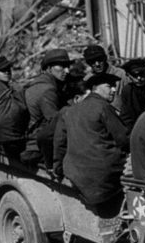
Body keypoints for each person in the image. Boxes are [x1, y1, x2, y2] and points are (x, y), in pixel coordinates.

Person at [54, 72, 129, 216]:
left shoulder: (70, 111)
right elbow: (123, 139)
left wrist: (57, 168)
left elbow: (59, 144)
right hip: (105, 176)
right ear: (95, 88)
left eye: (114, 86)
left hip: (76, 175)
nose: (114, 90)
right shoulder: (103, 107)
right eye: (109, 86)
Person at [21, 49, 71, 165]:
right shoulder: (48, 90)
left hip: (31, 142)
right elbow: (56, 124)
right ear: (49, 68)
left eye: (67, 66)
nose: (67, 71)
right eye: (62, 66)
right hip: (36, 148)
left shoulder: (37, 83)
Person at [37, 77, 88, 170]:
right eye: (88, 99)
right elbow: (44, 137)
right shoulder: (66, 112)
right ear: (77, 98)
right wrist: (52, 165)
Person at [83, 44, 127, 112]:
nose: (97, 64)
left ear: (105, 59)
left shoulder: (121, 74)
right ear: (88, 63)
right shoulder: (87, 79)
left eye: (100, 60)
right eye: (92, 61)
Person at [119, 58, 145, 130]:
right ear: (128, 75)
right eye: (135, 75)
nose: (139, 78)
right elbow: (126, 116)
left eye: (141, 74)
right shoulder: (127, 91)